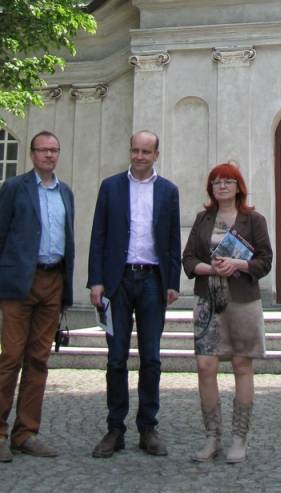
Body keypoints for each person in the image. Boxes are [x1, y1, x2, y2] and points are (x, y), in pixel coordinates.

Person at [87, 130, 181, 458]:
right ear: (130, 151)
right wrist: (96, 281)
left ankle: (148, 428)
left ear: (156, 155)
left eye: (146, 151)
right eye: (135, 150)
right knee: (116, 357)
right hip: (118, 282)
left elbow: (172, 240)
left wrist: (172, 282)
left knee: (151, 357)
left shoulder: (168, 191)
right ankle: (115, 428)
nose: (140, 156)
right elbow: (98, 236)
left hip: (153, 281)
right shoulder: (111, 187)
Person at [0, 130, 75, 462]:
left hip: (53, 280)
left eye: (54, 150)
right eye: (43, 150)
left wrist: (65, 287)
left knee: (39, 359)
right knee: (11, 358)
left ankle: (26, 432)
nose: (49, 155)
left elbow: (68, 240)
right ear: (32, 154)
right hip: (19, 282)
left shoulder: (65, 192)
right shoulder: (15, 188)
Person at [182, 162, 272, 464]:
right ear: (211, 188)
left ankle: (239, 438)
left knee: (241, 364)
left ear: (238, 187)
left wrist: (239, 265)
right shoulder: (203, 219)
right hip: (208, 301)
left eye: (228, 182)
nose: (222, 186)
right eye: (216, 182)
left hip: (243, 300)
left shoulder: (253, 220)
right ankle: (212, 437)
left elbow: (265, 261)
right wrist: (211, 269)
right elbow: (188, 258)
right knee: (205, 365)